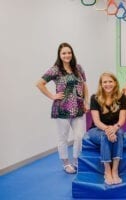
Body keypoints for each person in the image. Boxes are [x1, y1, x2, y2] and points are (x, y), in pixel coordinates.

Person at [36, 42, 89, 174]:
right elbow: (39, 83)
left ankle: (77, 161)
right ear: (60, 55)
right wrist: (52, 96)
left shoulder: (78, 68)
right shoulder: (55, 69)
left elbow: (84, 86)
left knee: (79, 136)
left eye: (69, 52)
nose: (67, 55)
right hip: (62, 109)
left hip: (79, 108)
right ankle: (66, 163)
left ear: (72, 54)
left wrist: (86, 101)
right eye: (64, 53)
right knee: (63, 137)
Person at [87, 72, 126, 185]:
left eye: (110, 81)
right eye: (105, 82)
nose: (108, 84)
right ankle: (107, 170)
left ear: (115, 83)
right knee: (105, 136)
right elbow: (97, 121)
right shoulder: (94, 98)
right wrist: (108, 130)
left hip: (115, 128)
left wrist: (115, 128)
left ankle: (115, 170)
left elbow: (122, 119)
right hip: (97, 129)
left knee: (118, 134)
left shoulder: (121, 97)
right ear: (101, 84)